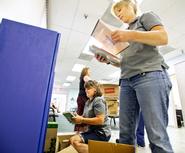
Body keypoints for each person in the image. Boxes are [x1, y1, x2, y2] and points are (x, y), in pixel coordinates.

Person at [95, 0, 173, 152]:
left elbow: (163, 37)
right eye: (116, 14)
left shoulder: (145, 17)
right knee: (125, 135)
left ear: (131, 5)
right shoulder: (123, 35)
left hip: (150, 75)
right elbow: (124, 61)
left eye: (120, 10)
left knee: (156, 136)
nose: (119, 15)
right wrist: (109, 60)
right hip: (126, 81)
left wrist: (130, 34)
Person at [70, 80, 111, 153]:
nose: (86, 90)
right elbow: (84, 117)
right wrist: (77, 118)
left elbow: (100, 120)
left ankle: (102, 150)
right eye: (85, 89)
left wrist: (82, 119)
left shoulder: (98, 100)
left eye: (88, 88)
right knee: (72, 140)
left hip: (101, 133)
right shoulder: (88, 102)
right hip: (92, 131)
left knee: (75, 141)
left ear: (95, 89)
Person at [74, 67, 91, 131]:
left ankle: (78, 129)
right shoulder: (86, 77)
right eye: (89, 71)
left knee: (80, 112)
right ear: (86, 71)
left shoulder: (82, 78)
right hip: (83, 98)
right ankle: (82, 129)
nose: (90, 72)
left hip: (80, 97)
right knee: (84, 113)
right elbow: (92, 84)